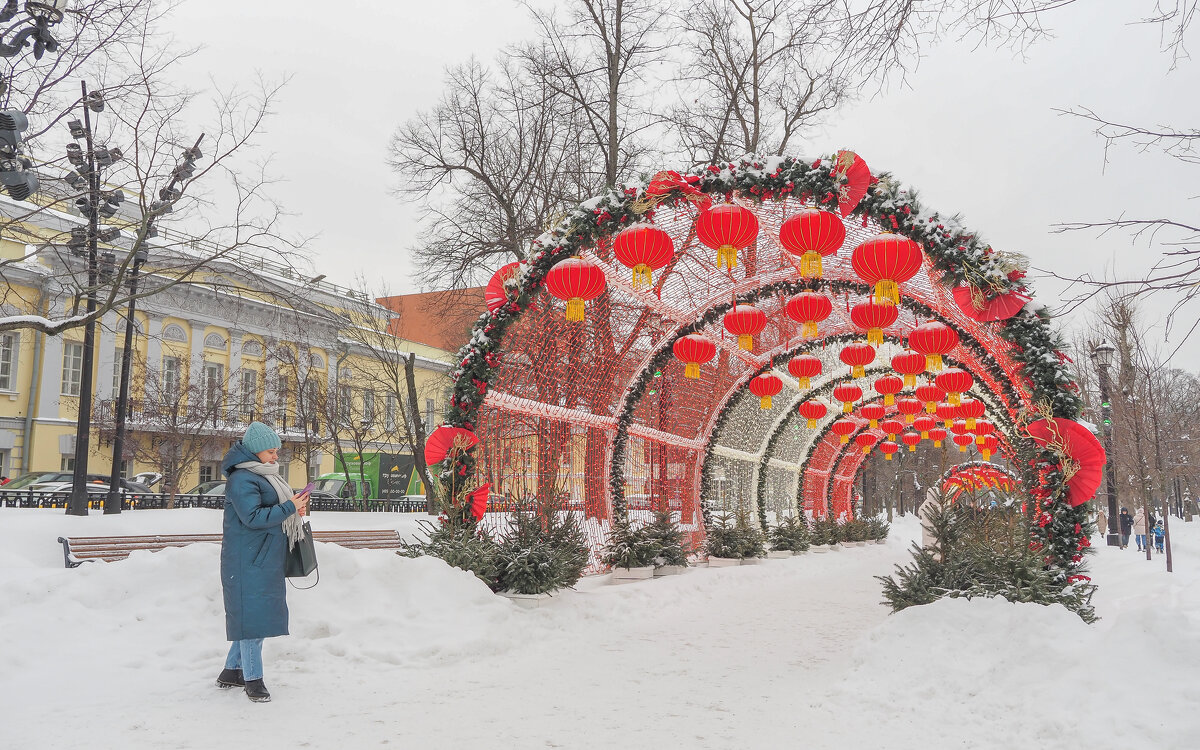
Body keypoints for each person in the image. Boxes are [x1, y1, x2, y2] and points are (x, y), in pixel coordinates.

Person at [215, 422, 310, 703]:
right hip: (247, 560)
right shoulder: (242, 479)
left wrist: (293, 506)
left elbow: (269, 511)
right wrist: (289, 506)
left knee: (253, 617)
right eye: (271, 451)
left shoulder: (262, 475)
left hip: (261, 557)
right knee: (252, 621)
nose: (275, 457)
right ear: (256, 452)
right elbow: (253, 518)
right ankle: (253, 681)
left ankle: (232, 671)